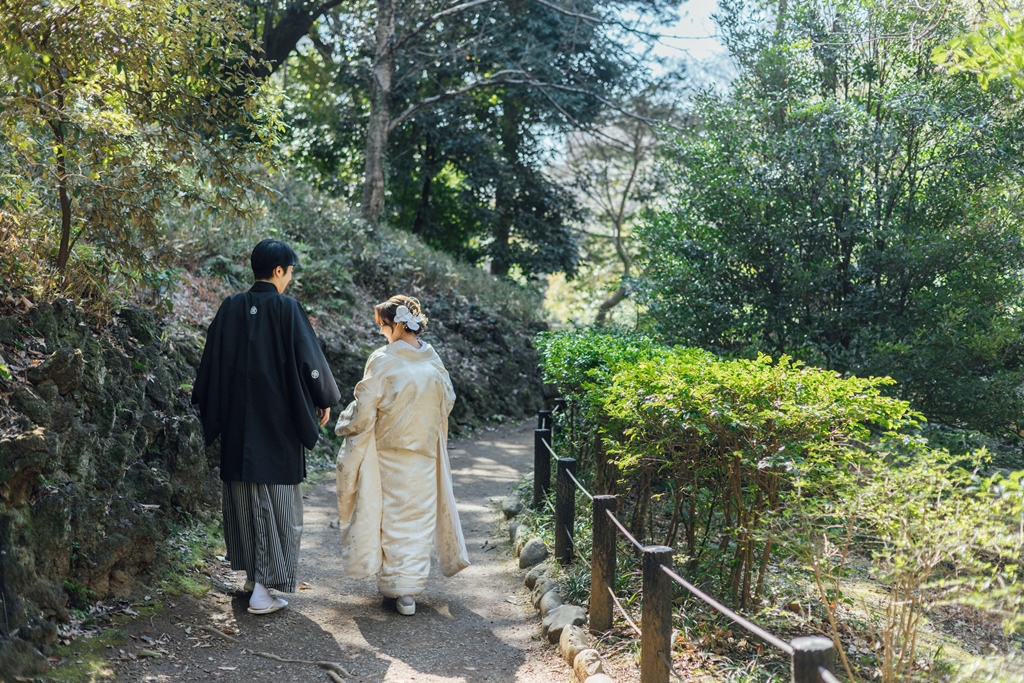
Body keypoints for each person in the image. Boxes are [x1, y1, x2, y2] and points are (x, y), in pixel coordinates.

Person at [192, 238, 341, 615]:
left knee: (244, 501)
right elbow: (310, 363)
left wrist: (217, 412)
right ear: (279, 271)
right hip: (277, 425)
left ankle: (251, 576)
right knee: (276, 505)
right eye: (290, 271)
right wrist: (322, 398)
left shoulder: (230, 307)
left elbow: (210, 365)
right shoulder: (287, 309)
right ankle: (262, 590)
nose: (290, 279)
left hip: (239, 426)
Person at [334, 295, 469, 616]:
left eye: (382, 326)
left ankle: (397, 587)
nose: (381, 333)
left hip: (388, 453)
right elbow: (446, 401)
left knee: (391, 517)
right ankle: (409, 590)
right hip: (424, 454)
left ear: (395, 324)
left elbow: (365, 406)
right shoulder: (433, 360)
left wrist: (347, 423)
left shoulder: (383, 360)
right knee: (418, 520)